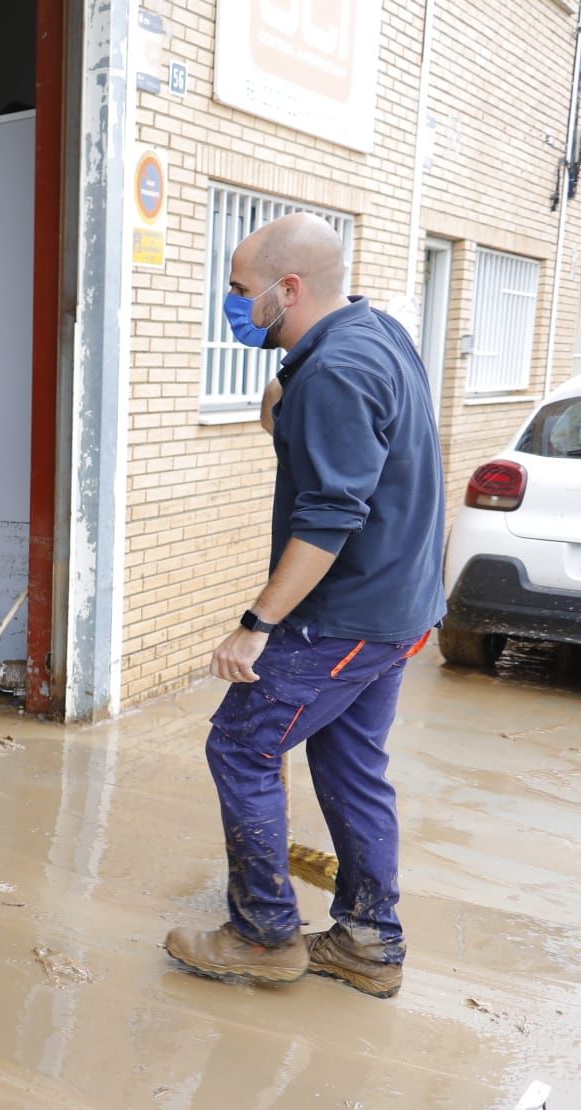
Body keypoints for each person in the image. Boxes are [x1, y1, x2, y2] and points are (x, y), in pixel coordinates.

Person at [164, 213, 445, 999]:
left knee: (241, 745)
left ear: (288, 289)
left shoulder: (334, 372)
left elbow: (328, 520)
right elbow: (345, 443)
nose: (230, 302)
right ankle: (366, 940)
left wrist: (256, 626)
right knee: (351, 762)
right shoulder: (372, 332)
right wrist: (284, 402)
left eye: (238, 290)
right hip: (400, 605)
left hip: (347, 613)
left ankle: (262, 935)